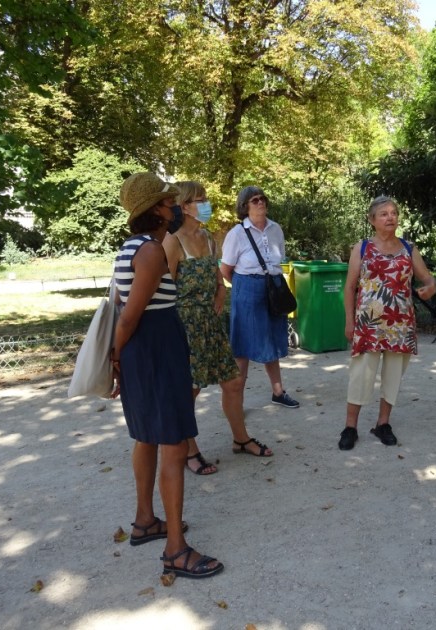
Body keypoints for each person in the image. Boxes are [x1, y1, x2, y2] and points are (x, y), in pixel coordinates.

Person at [111, 172, 223, 578]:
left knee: (146, 437)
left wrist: (121, 357)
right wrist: (115, 358)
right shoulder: (150, 252)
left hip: (146, 352)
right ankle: (176, 549)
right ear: (156, 210)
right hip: (156, 351)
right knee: (174, 445)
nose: (176, 207)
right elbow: (129, 317)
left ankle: (145, 521)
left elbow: (123, 309)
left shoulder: (131, 248)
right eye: (169, 202)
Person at [162, 181, 273, 469]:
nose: (206, 204)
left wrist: (221, 290)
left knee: (233, 382)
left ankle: (241, 439)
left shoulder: (207, 237)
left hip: (211, 323)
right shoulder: (172, 241)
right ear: (184, 205)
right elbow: (165, 289)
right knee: (190, 390)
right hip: (186, 325)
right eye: (200, 199)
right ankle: (189, 451)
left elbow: (216, 273)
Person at [338, 196, 436, 450]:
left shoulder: (408, 248)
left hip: (400, 322)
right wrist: (349, 320)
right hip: (369, 321)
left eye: (393, 213)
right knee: (361, 374)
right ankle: (350, 427)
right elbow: (349, 287)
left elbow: (428, 279)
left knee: (393, 375)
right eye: (383, 214)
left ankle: (383, 423)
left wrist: (430, 287)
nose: (390, 217)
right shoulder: (362, 248)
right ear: (372, 220)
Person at [220, 186, 299, 409]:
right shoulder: (236, 233)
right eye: (255, 200)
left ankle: (278, 392)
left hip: (273, 287)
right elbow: (225, 269)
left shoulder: (276, 229)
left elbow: (278, 259)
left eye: (263, 198)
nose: (261, 202)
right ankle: (237, 401)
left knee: (271, 341)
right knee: (242, 347)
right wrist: (245, 287)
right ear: (245, 206)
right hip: (247, 288)